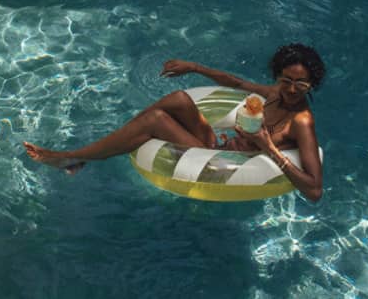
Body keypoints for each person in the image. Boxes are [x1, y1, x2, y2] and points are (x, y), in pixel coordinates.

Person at [23, 43, 325, 202]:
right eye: (287, 80)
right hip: (217, 143)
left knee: (154, 120)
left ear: (313, 85)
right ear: (277, 76)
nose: (292, 89)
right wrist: (193, 67)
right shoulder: (275, 94)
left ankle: (75, 157)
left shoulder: (302, 121)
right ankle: (82, 157)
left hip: (221, 162)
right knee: (180, 98)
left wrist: (268, 147)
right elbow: (235, 82)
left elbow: (314, 191)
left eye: (302, 84)